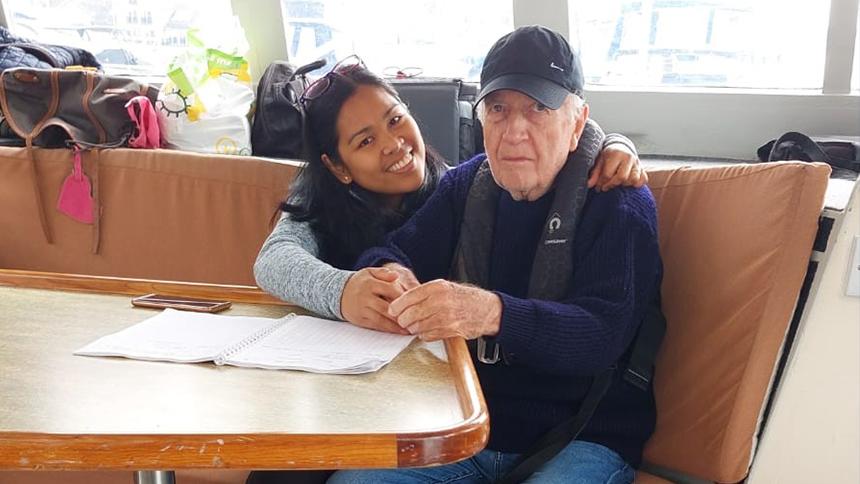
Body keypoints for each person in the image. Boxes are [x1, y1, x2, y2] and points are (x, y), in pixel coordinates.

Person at [326, 25, 663, 484]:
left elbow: (602, 337)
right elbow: (389, 250)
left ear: (577, 122)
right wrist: (390, 274)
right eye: (499, 110)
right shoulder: (466, 185)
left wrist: (492, 313)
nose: (514, 133)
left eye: (538, 109)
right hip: (468, 424)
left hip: (582, 435)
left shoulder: (620, 201)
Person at [254, 58, 646, 335]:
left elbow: (553, 130)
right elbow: (274, 259)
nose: (394, 145)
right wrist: (344, 291)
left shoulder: (456, 186)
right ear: (337, 166)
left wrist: (611, 143)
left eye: (395, 120)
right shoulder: (318, 199)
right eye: (366, 140)